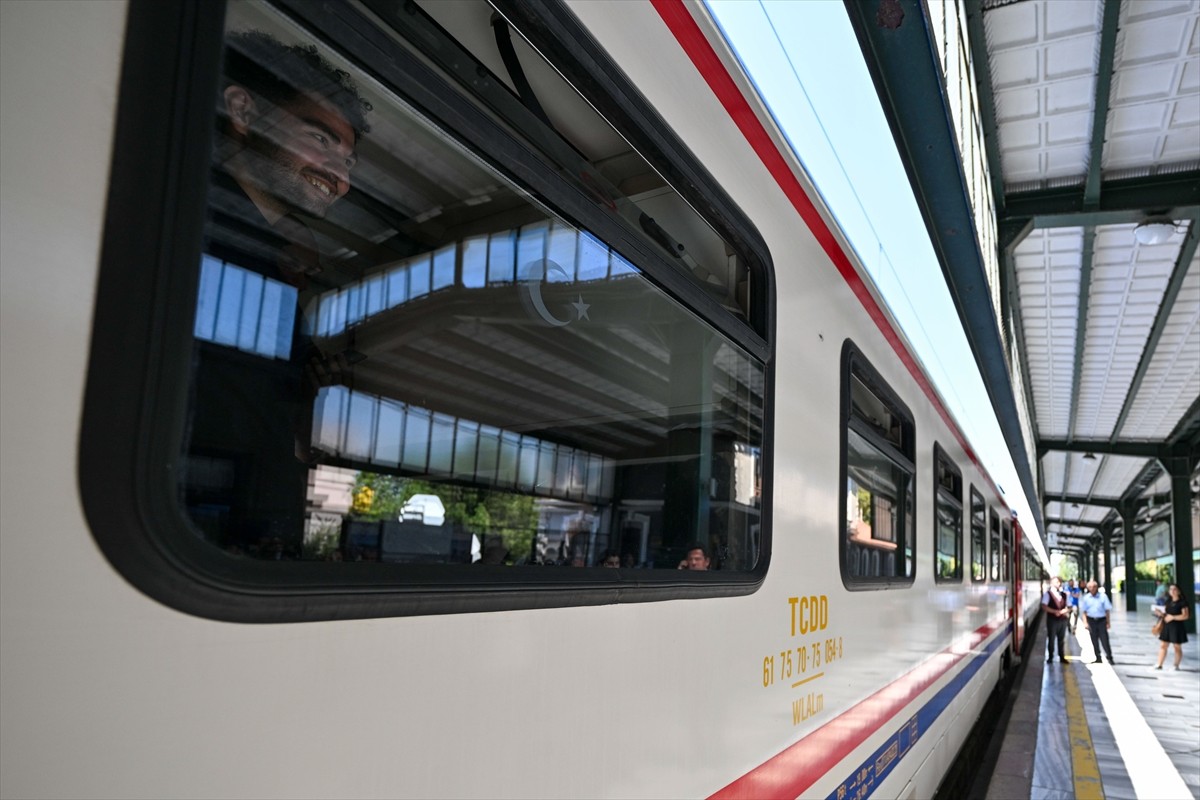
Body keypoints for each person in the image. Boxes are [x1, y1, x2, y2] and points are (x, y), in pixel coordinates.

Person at [185, 30, 372, 554]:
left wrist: (306, 378)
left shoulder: (265, 255)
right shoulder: (193, 222)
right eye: (320, 139)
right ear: (243, 109)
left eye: (350, 163)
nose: (340, 177)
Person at [1154, 583, 1190, 671]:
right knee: (1163, 645)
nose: (1172, 591)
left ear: (1178, 591)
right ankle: (1159, 664)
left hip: (1177, 627)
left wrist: (1173, 617)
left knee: (1176, 646)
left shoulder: (1183, 603)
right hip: (1167, 626)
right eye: (1170, 589)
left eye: (1174, 589)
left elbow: (1185, 616)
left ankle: (1176, 665)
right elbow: (1166, 614)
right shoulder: (1168, 601)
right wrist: (1160, 613)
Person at [1079, 580, 1115, 664]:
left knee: (1104, 639)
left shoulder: (1103, 596)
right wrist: (1085, 623)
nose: (1092, 589)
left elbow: (1107, 610)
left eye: (1094, 587)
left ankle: (1109, 657)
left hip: (1101, 620)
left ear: (1097, 587)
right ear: (1088, 588)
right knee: (1094, 640)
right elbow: (1084, 611)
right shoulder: (1086, 598)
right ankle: (1098, 657)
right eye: (1090, 587)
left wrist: (1108, 622)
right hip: (1091, 620)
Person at [1041, 577, 1070, 663]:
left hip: (1063, 620)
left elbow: (1069, 606)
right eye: (1057, 582)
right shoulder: (1048, 594)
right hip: (1052, 620)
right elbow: (1044, 606)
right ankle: (1050, 657)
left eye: (1060, 582)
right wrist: (1054, 611)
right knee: (1051, 639)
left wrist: (1063, 611)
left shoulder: (1064, 594)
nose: (1059, 583)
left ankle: (1061, 656)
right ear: (1052, 583)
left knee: (1061, 639)